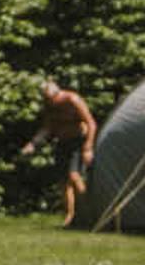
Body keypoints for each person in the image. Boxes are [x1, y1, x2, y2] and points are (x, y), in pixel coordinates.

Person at [23, 77, 100, 226]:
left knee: (74, 176)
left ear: (58, 94)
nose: (50, 101)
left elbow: (91, 123)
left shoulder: (72, 100)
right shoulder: (49, 105)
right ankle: (70, 217)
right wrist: (33, 144)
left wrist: (88, 147)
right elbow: (47, 128)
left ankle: (89, 213)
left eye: (51, 98)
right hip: (63, 142)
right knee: (63, 181)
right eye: (46, 98)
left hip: (79, 141)